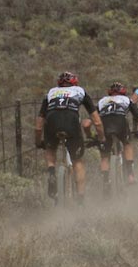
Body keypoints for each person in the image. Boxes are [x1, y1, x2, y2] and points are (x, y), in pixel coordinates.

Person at [38, 71, 97, 203]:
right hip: (71, 122)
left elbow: (39, 122)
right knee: (77, 161)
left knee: (50, 150)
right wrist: (100, 136)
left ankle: (52, 170)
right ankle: (81, 198)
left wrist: (38, 142)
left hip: (51, 121)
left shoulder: (51, 92)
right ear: (75, 82)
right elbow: (96, 119)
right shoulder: (80, 91)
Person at [93, 81, 138, 192]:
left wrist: (92, 135)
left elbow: (88, 122)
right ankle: (130, 175)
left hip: (105, 124)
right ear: (123, 93)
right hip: (120, 124)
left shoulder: (102, 101)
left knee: (105, 155)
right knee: (127, 144)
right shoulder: (126, 100)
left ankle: (105, 182)